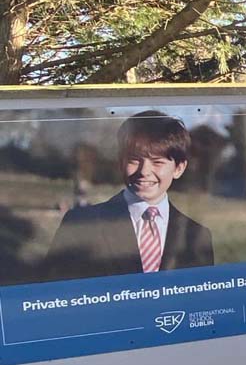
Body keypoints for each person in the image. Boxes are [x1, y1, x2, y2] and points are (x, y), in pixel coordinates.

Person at [42, 111, 214, 282]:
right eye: (134, 160)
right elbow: (54, 291)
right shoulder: (80, 224)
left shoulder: (197, 236)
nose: (144, 171)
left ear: (178, 168)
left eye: (157, 162)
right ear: (121, 162)